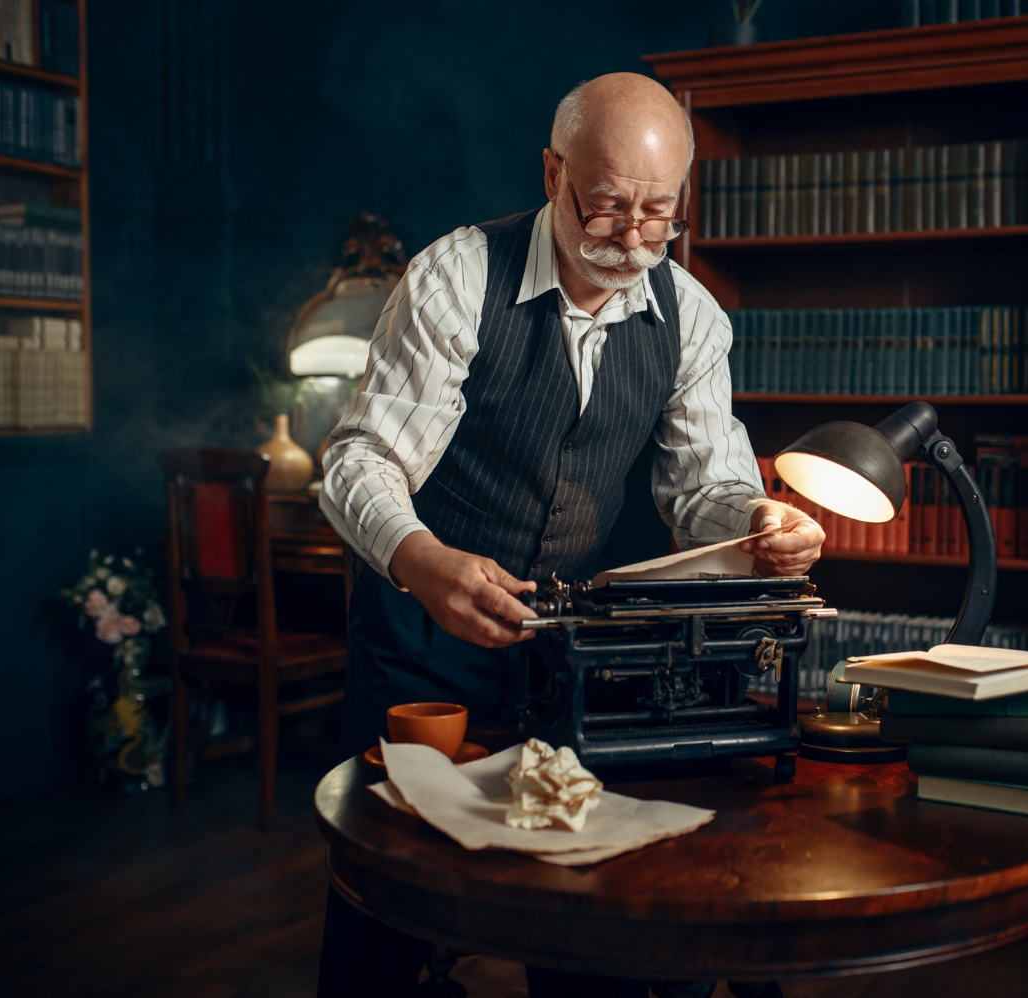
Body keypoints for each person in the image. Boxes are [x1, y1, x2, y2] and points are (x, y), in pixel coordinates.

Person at [316, 72, 824, 998]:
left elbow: (704, 485)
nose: (633, 239)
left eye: (659, 214)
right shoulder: (457, 276)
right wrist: (421, 560)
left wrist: (757, 521)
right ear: (553, 173)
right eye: (608, 207)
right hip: (425, 650)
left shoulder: (694, 316)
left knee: (588, 918)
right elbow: (358, 461)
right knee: (385, 910)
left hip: (584, 654)